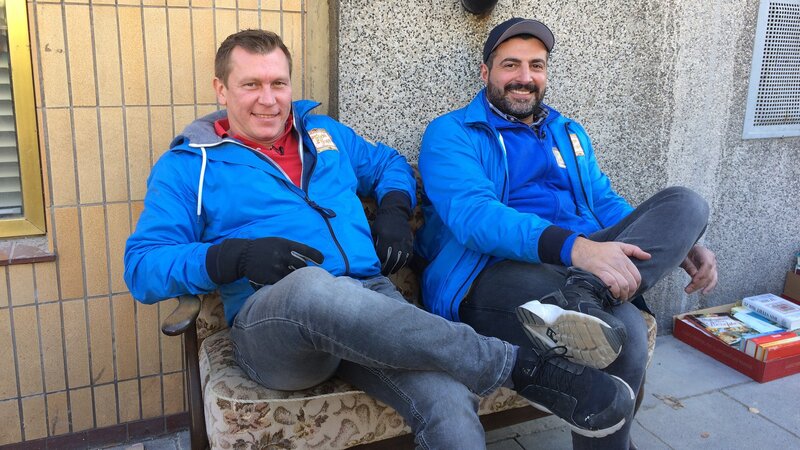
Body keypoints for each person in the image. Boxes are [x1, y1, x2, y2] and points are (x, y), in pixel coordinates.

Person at [124, 29, 636, 449]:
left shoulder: (325, 134)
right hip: (276, 326)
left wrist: (393, 209)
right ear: (221, 90)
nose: (268, 99)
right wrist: (232, 256)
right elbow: (143, 267)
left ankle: (500, 371)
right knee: (311, 287)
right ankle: (518, 366)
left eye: (278, 83)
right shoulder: (188, 165)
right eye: (250, 84)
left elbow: (389, 163)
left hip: (372, 304)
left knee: (447, 401)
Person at [417, 18, 718, 449]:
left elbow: (604, 202)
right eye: (511, 65)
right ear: (486, 73)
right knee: (625, 333)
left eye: (536, 66)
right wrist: (577, 249)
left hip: (579, 267)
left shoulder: (567, 132)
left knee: (687, 204)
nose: (524, 77)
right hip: (494, 271)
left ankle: (587, 294)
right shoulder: (452, 133)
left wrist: (682, 240)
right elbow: (475, 217)